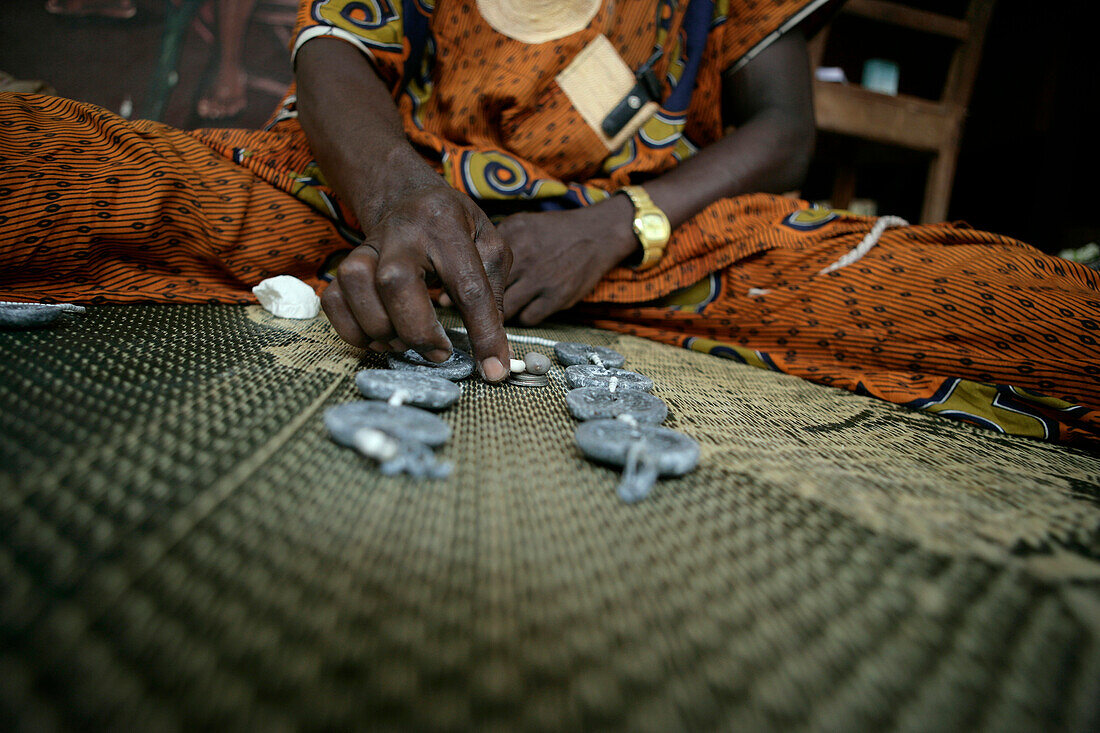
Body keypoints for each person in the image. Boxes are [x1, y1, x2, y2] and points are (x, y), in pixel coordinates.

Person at [1, 0, 1098, 446]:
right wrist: (400, 200)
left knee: (1023, 311)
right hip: (383, 207)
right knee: (57, 169)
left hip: (669, 235)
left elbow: (779, 130)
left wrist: (617, 226)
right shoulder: (389, 192)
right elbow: (334, 52)